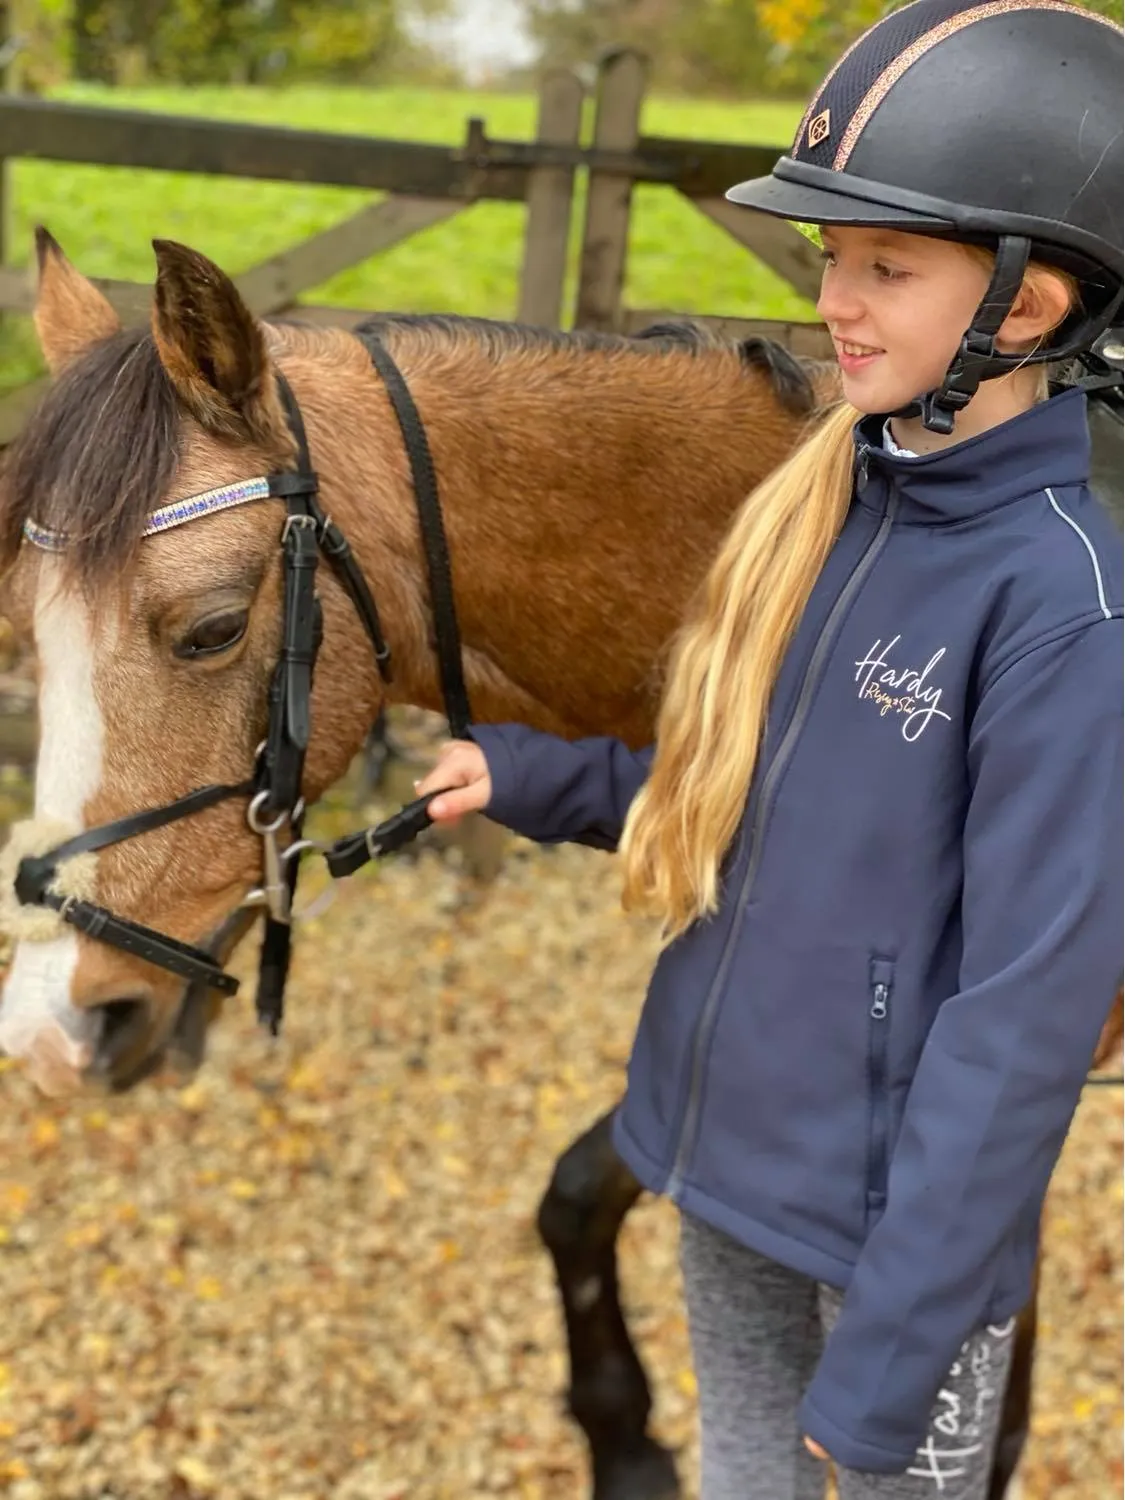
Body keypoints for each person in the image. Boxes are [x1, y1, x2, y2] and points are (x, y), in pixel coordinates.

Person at [416, 2, 1124, 1495]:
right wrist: (533, 775)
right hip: (721, 1171)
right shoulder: (835, 508)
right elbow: (763, 800)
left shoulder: (1060, 608)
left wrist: (893, 1355)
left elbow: (1021, 1027)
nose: (836, 304)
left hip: (887, 1258)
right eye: (828, 262)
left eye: (885, 266)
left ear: (1030, 303)